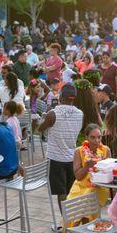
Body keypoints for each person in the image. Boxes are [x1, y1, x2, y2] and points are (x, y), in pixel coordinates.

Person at [39, 83, 83, 216]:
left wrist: (45, 115)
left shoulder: (53, 114)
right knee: (70, 190)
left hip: (55, 158)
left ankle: (66, 222)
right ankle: (72, 219)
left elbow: (40, 129)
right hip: (72, 157)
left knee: (61, 192)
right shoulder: (80, 114)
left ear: (61, 96)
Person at [66, 124, 111, 233]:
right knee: (85, 198)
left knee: (89, 195)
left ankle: (73, 232)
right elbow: (78, 177)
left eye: (99, 137)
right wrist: (86, 167)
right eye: (93, 138)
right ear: (86, 137)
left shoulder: (106, 150)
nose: (96, 141)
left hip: (99, 188)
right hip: (80, 186)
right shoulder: (79, 151)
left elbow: (109, 173)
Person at [73, 79, 101, 145]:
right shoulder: (93, 107)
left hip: (77, 143)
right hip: (92, 142)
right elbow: (100, 124)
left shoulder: (74, 108)